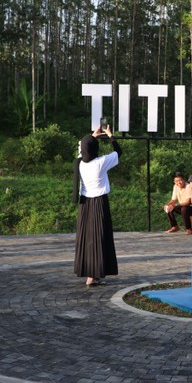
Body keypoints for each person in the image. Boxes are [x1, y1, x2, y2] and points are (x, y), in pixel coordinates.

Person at [72, 123, 121, 287]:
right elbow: (118, 152)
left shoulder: (79, 163)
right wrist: (110, 135)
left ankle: (91, 274)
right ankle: (92, 277)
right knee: (99, 238)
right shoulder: (100, 163)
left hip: (84, 205)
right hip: (99, 202)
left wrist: (92, 136)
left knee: (87, 239)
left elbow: (82, 148)